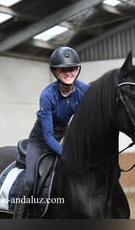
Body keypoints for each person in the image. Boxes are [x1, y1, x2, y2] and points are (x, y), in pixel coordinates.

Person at [14, 46, 88, 219]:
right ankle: (20, 217)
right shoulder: (47, 95)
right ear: (55, 71)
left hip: (65, 136)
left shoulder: (84, 90)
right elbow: (47, 136)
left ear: (77, 69)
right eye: (63, 69)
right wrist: (66, 154)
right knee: (30, 181)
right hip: (40, 140)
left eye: (72, 68)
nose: (68, 72)